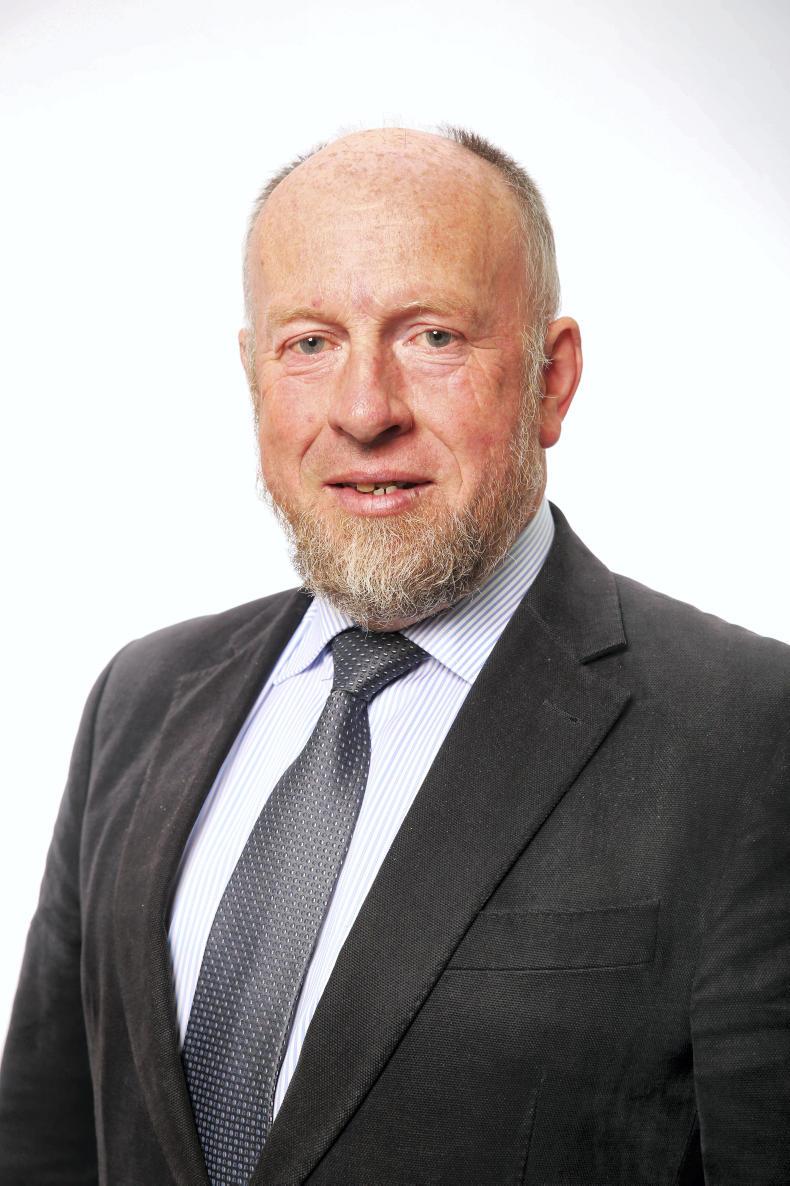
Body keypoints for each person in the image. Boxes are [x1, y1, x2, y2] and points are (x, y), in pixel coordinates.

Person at [0, 125, 788, 1186]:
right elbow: (43, 1141)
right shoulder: (140, 699)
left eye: (433, 337)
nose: (364, 411)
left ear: (552, 379)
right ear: (253, 374)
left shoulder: (750, 733)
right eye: (309, 343)